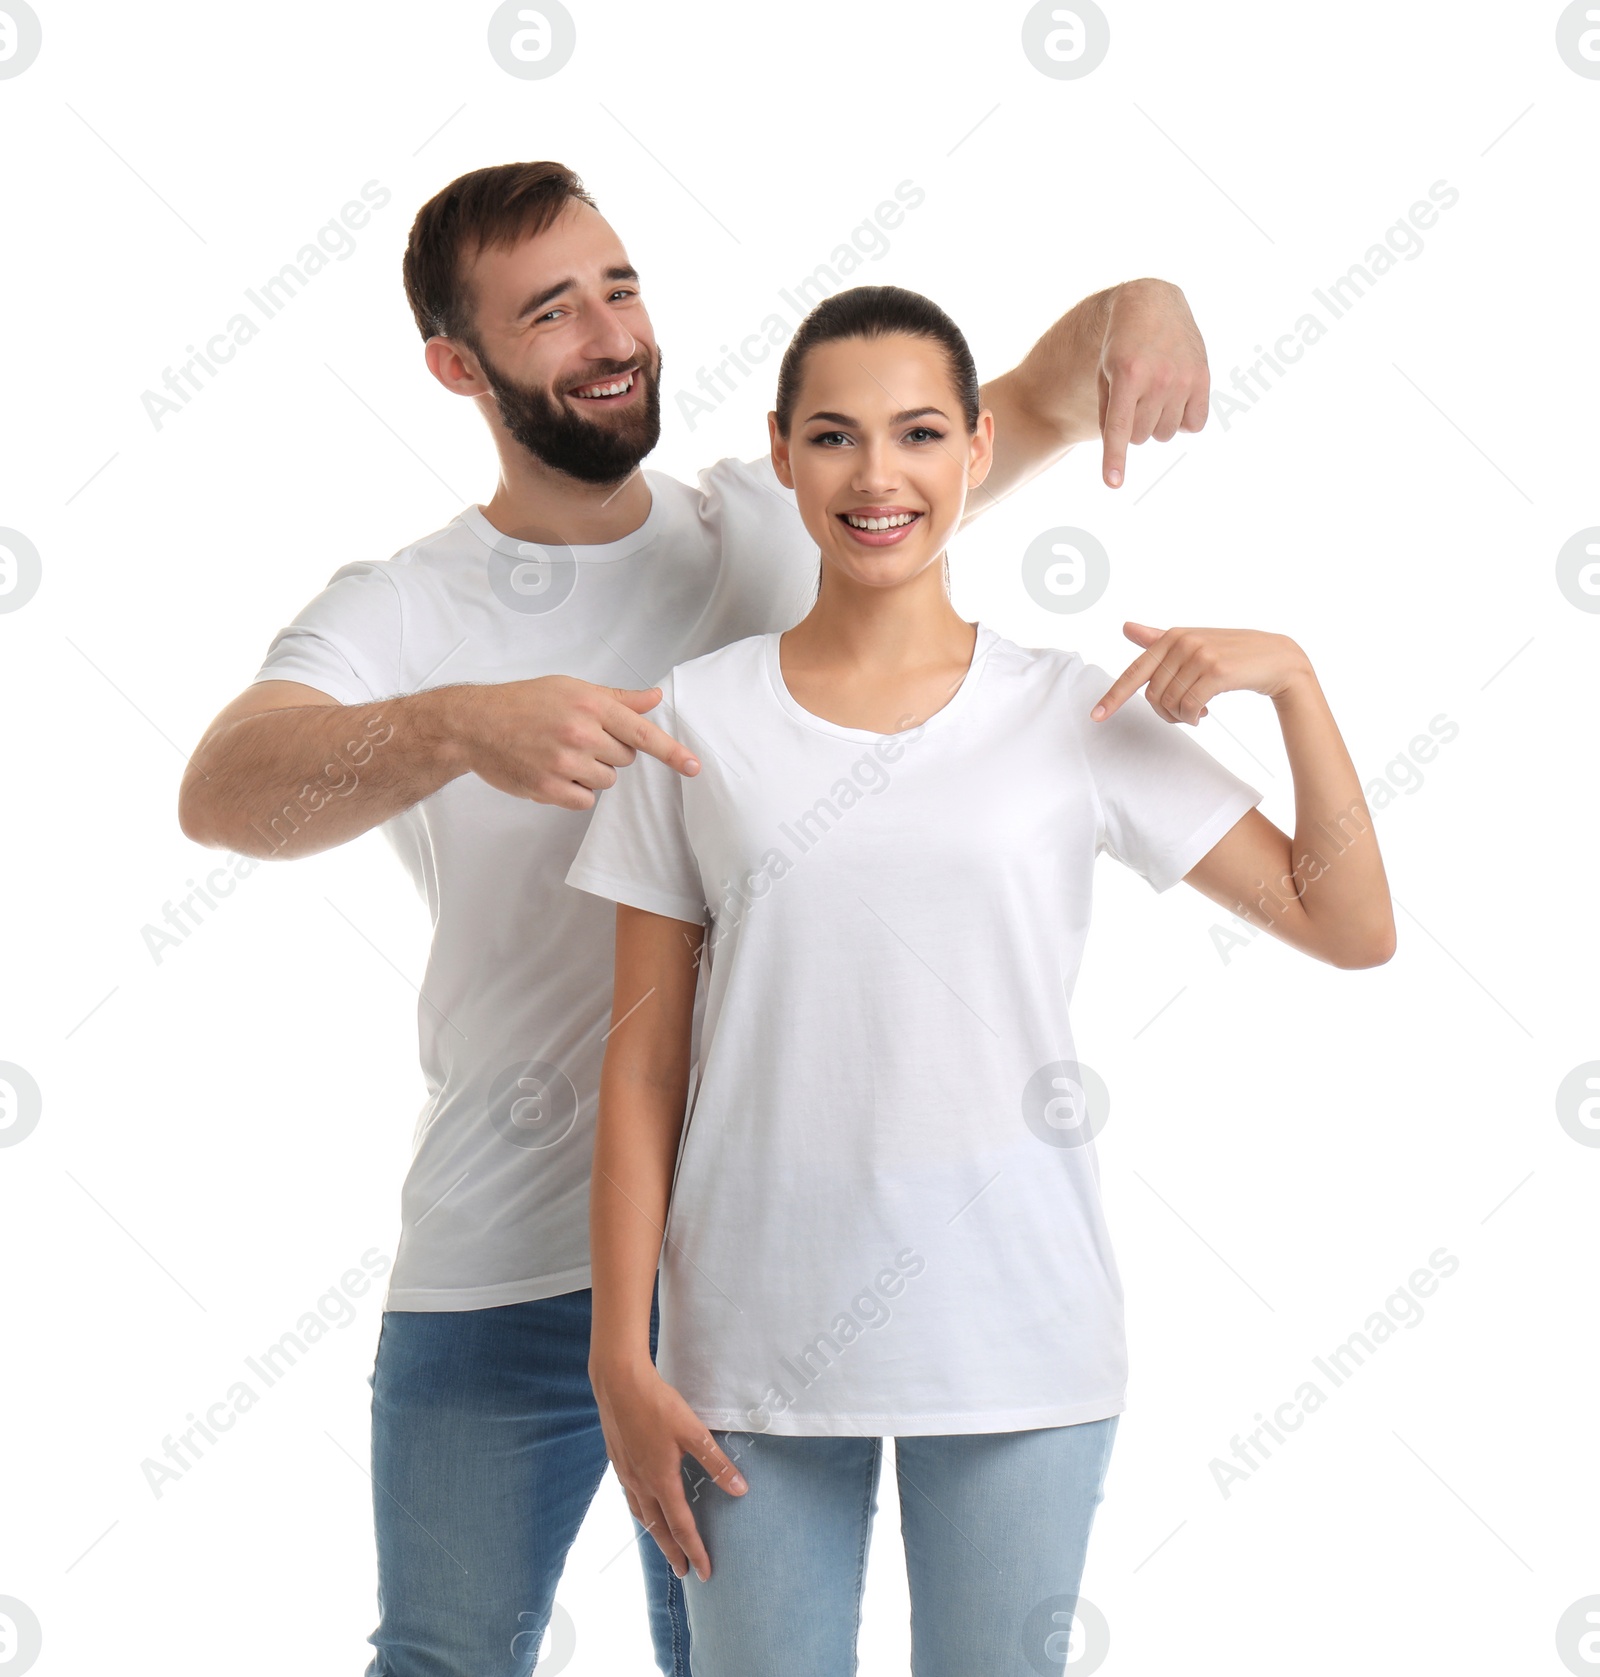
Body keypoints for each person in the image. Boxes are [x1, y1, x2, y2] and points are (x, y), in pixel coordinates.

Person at [176, 160, 1213, 1677]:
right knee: (445, 1657)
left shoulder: (788, 518)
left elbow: (1037, 395)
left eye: (621, 286)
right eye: (549, 311)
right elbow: (224, 791)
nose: (609, 333)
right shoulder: (403, 606)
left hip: (745, 1269)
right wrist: (459, 726)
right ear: (455, 366)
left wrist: (1152, 302)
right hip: (503, 1256)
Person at [568, 286, 1395, 1676]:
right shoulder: (693, 717)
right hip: (746, 1350)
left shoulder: (1070, 713)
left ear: (977, 449)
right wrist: (619, 1356)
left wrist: (1297, 685)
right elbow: (643, 1067)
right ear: (781, 454)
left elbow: (1347, 920)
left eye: (917, 434)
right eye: (833, 436)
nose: (876, 475)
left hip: (1017, 1335)